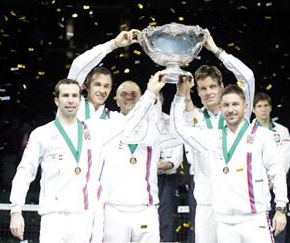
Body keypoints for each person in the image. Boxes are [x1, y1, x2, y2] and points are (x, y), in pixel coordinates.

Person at [9, 74, 165, 242]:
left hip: (85, 215)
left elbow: (131, 123)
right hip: (52, 215)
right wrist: (16, 210)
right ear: (57, 100)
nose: (70, 100)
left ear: (80, 100)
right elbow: (25, 171)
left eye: (75, 96)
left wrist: (150, 93)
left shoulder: (96, 129)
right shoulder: (42, 134)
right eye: (65, 95)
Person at [170, 81, 287, 243]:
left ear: (245, 107)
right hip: (224, 224)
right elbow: (177, 129)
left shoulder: (262, 136)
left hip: (255, 219)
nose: (230, 109)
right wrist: (179, 95)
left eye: (235, 104)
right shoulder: (213, 138)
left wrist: (281, 208)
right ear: (221, 108)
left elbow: (277, 173)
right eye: (225, 105)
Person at [182, 30, 255, 243]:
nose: (208, 92)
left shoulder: (239, 114)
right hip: (206, 206)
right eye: (203, 88)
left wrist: (216, 50)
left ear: (222, 87)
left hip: (237, 205)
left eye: (213, 86)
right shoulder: (192, 118)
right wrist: (183, 93)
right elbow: (182, 120)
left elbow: (247, 77)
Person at [99, 75, 180, 243]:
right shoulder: (107, 123)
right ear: (116, 99)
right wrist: (149, 94)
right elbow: (128, 125)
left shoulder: (154, 128)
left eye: (134, 93)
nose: (129, 96)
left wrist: (181, 95)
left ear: (141, 97)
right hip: (114, 209)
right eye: (124, 94)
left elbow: (181, 133)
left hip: (147, 209)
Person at [67, 29, 140, 120]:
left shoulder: (113, 119)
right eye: (97, 84)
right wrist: (113, 44)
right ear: (86, 86)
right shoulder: (72, 105)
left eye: (106, 86)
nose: (102, 90)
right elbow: (78, 65)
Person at [252, 92, 290, 243]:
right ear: (253, 109)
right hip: (256, 187)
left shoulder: (282, 131)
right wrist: (263, 177)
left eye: (266, 106)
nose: (263, 109)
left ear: (270, 108)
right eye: (259, 106)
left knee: (279, 228)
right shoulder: (247, 131)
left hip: (277, 184)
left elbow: (286, 157)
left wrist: (274, 179)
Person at [157, 93, 184, 242]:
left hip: (167, 178)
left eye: (158, 99)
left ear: (162, 100)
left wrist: (170, 163)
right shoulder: (139, 122)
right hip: (144, 179)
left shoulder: (170, 122)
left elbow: (178, 150)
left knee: (166, 220)